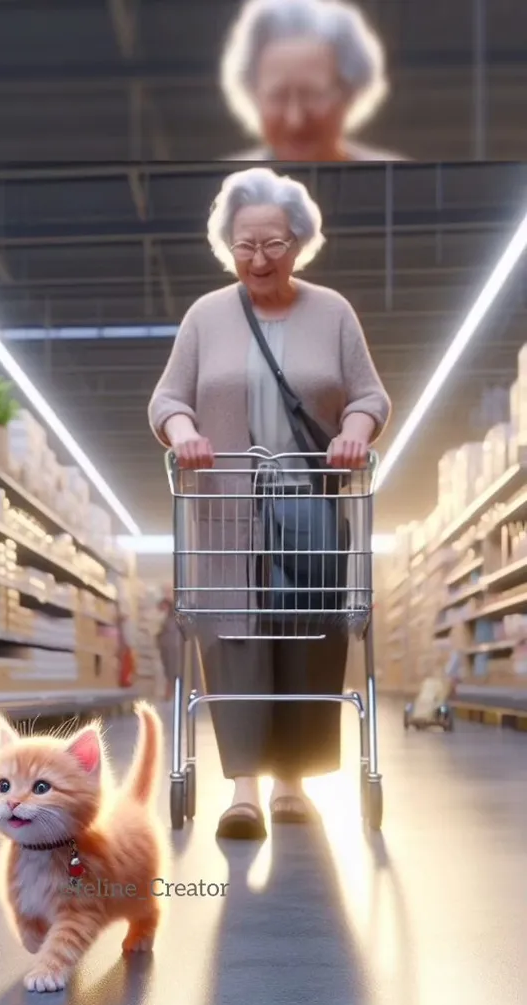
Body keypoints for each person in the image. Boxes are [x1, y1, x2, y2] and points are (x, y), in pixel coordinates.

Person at [147, 166, 391, 840]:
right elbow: (168, 399)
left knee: (311, 638)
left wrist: (353, 431)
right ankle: (245, 791)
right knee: (234, 639)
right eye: (244, 245)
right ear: (228, 244)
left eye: (273, 245)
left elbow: (370, 396)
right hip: (226, 510)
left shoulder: (333, 311)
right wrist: (186, 432)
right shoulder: (206, 316)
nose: (258, 259)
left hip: (310, 505)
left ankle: (293, 784)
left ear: (300, 242)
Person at [220, 0, 403, 162]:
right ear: (253, 95)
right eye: (278, 97)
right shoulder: (224, 182)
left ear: (350, 94)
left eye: (313, 96)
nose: (295, 120)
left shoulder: (397, 179)